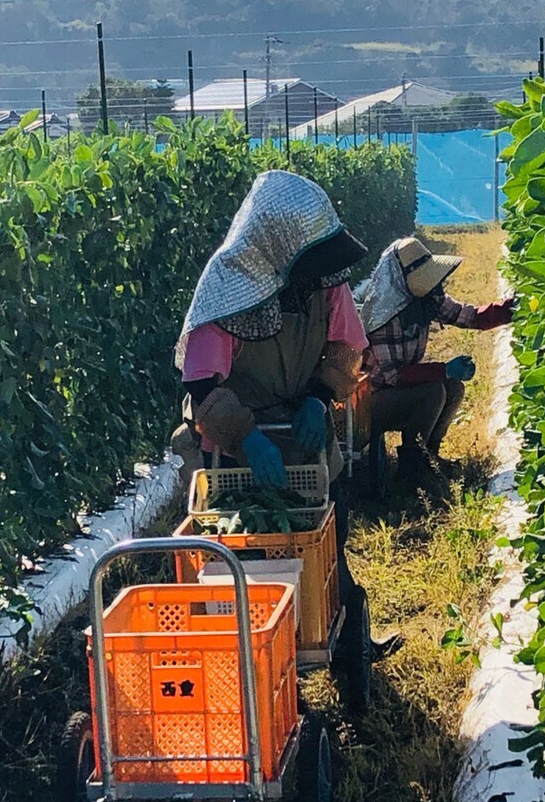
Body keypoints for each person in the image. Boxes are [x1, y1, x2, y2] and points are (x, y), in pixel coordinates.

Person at [174, 170, 399, 710]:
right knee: (237, 558)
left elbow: (346, 348)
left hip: (301, 424)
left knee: (322, 543)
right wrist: (245, 437)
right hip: (231, 441)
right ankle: (248, 664)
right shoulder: (225, 292)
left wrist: (319, 398)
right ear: (278, 250)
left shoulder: (326, 282)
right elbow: (202, 384)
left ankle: (337, 633)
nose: (319, 275)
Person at [358, 236, 514, 486]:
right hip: (372, 400)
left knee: (453, 388)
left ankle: (430, 456)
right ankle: (411, 469)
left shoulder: (425, 300)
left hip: (400, 389)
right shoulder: (382, 319)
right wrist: (444, 370)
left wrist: (509, 310)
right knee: (432, 392)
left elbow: (468, 316)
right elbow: (394, 376)